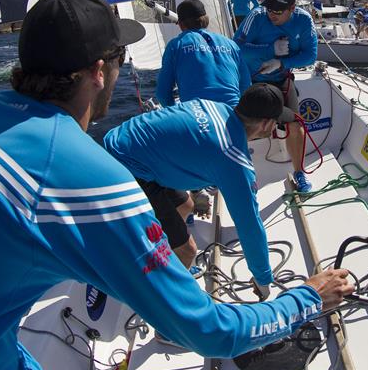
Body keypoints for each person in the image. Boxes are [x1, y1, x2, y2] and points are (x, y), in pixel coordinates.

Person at [0, 0, 353, 370]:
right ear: (98, 71)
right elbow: (210, 332)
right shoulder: (90, 179)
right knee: (178, 258)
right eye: (119, 58)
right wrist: (307, 298)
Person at [105, 83, 295, 296]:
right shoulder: (233, 161)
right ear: (266, 124)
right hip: (126, 169)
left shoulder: (215, 106)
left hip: (122, 141)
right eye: (277, 122)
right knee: (188, 251)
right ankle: (167, 312)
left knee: (186, 205)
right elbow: (249, 226)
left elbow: (192, 142)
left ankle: (166, 259)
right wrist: (262, 279)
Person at [234, 0, 317, 192]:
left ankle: (299, 173)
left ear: (292, 8)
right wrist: (270, 49)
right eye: (270, 9)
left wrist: (282, 63)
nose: (272, 14)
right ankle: (237, 173)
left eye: (278, 11)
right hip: (252, 80)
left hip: (281, 80)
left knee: (296, 124)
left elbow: (310, 55)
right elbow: (237, 47)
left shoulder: (304, 20)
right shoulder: (257, 15)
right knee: (242, 126)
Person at [156, 0, 251, 108]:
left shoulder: (176, 45)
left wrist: (176, 113)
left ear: (181, 24)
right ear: (206, 19)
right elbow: (246, 85)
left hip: (198, 116)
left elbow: (162, 94)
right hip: (233, 112)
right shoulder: (231, 44)